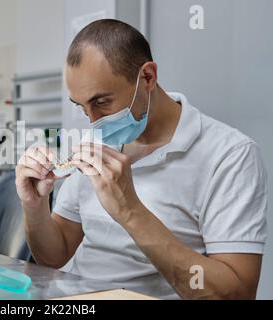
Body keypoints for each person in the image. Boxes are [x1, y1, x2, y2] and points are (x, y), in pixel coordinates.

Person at [15, 19, 268, 299]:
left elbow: (237, 295)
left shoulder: (230, 156)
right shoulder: (94, 143)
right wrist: (34, 206)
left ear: (147, 77)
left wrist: (130, 211)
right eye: (82, 107)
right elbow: (55, 255)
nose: (93, 122)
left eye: (101, 102)